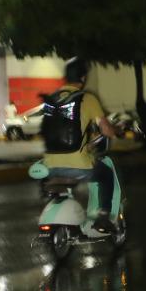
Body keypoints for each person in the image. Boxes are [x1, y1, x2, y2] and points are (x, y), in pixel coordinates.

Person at [39, 58, 121, 230]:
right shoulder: (87, 99)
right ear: (83, 78)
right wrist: (115, 131)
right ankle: (104, 217)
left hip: (50, 166)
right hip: (78, 165)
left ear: (65, 78)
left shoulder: (51, 100)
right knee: (106, 175)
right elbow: (106, 130)